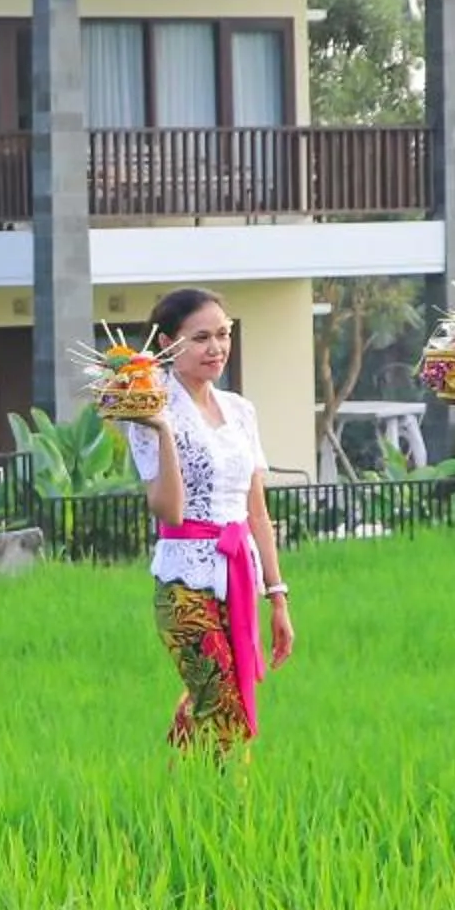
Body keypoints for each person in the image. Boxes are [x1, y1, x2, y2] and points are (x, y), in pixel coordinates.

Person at [122, 286, 295, 753]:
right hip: (185, 582)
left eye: (223, 334)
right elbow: (169, 511)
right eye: (201, 337)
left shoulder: (241, 411)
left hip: (238, 576)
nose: (216, 348)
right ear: (167, 344)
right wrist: (162, 431)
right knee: (224, 712)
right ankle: (227, 810)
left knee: (214, 705)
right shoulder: (146, 410)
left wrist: (277, 596)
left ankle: (181, 796)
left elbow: (255, 509)